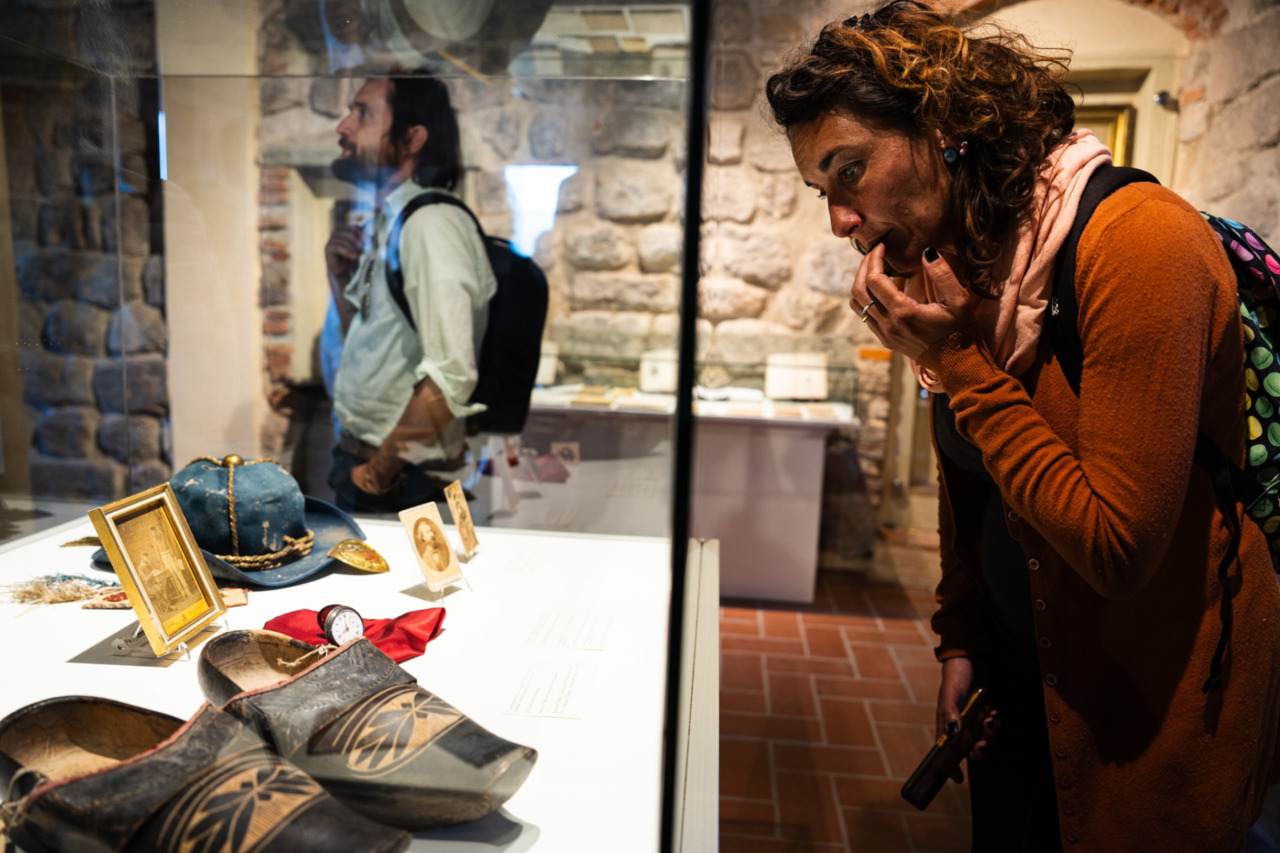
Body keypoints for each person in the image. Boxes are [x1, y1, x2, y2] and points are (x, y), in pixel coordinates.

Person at [767, 2, 1280, 850]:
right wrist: (963, 638)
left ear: (942, 126)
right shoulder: (973, 260)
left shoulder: (1142, 244)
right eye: (825, 192)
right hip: (1019, 684)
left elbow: (1117, 547)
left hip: (1148, 711)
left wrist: (959, 362)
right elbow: (972, 478)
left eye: (850, 170)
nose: (840, 221)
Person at [325, 70, 496, 513]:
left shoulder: (430, 225)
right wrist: (339, 279)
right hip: (375, 466)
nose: (344, 127)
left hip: (404, 479)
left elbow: (452, 372)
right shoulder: (392, 222)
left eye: (363, 114)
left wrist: (376, 475)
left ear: (412, 138)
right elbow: (370, 343)